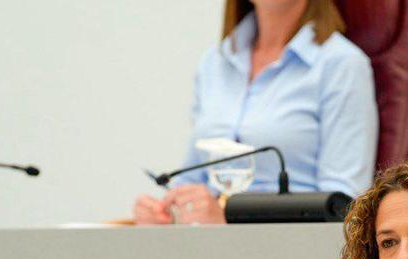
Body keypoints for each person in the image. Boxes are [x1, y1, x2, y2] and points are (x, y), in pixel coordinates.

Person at [133, 0, 378, 225]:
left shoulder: (342, 65)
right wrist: (166, 211)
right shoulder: (215, 62)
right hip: (207, 246)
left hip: (290, 248)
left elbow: (342, 205)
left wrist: (230, 217)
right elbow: (194, 178)